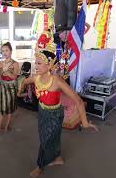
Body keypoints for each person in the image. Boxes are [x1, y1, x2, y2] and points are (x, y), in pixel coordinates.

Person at [18, 40, 98, 178]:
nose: (35, 66)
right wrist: (20, 90)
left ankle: (40, 166)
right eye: (35, 62)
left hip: (55, 114)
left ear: (49, 65)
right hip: (42, 111)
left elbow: (78, 101)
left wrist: (84, 122)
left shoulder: (57, 81)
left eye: (39, 63)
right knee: (53, 136)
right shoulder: (35, 78)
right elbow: (24, 81)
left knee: (45, 139)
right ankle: (58, 158)